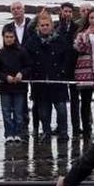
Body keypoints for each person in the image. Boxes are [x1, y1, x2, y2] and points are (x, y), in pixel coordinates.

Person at [26, 10, 72, 143]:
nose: (45, 27)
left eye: (47, 25)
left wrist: (63, 72)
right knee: (44, 112)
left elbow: (67, 58)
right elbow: (28, 60)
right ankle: (46, 131)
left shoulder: (60, 40)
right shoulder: (33, 42)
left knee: (62, 110)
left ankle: (63, 132)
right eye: (42, 25)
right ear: (38, 27)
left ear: (51, 25)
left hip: (57, 80)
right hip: (40, 81)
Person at [0, 29, 31, 143]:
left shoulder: (22, 52)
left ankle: (18, 133)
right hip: (5, 88)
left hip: (20, 88)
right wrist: (5, 77)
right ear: (3, 38)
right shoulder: (0, 53)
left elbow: (29, 66)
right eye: (7, 37)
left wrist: (21, 73)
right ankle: (9, 133)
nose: (9, 39)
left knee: (19, 113)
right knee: (6, 112)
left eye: (11, 37)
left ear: (15, 38)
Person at [56, 3, 81, 137]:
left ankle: (77, 128)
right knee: (60, 100)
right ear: (61, 12)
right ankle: (61, 127)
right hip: (60, 68)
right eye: (65, 11)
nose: (68, 14)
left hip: (74, 68)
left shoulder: (77, 27)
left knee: (75, 100)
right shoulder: (56, 27)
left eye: (70, 11)